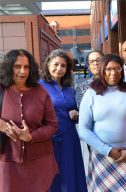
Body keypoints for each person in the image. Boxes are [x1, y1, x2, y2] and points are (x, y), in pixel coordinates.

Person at [78, 54, 126, 191]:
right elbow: (84, 129)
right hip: (102, 156)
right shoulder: (91, 93)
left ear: (122, 70)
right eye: (108, 69)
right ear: (102, 70)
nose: (113, 73)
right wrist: (108, 150)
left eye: (117, 68)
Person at [0, 49, 58, 191]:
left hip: (39, 160)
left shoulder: (41, 92)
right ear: (8, 67)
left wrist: (31, 136)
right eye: (17, 66)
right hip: (7, 159)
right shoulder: (1, 89)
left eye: (26, 67)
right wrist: (1, 125)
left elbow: (52, 125)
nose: (22, 71)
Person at [39, 49, 87, 192]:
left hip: (69, 137)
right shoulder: (38, 86)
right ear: (48, 64)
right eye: (56, 64)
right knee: (52, 175)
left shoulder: (69, 88)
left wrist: (76, 114)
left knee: (71, 173)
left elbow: (75, 109)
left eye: (63, 65)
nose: (59, 68)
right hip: (49, 138)